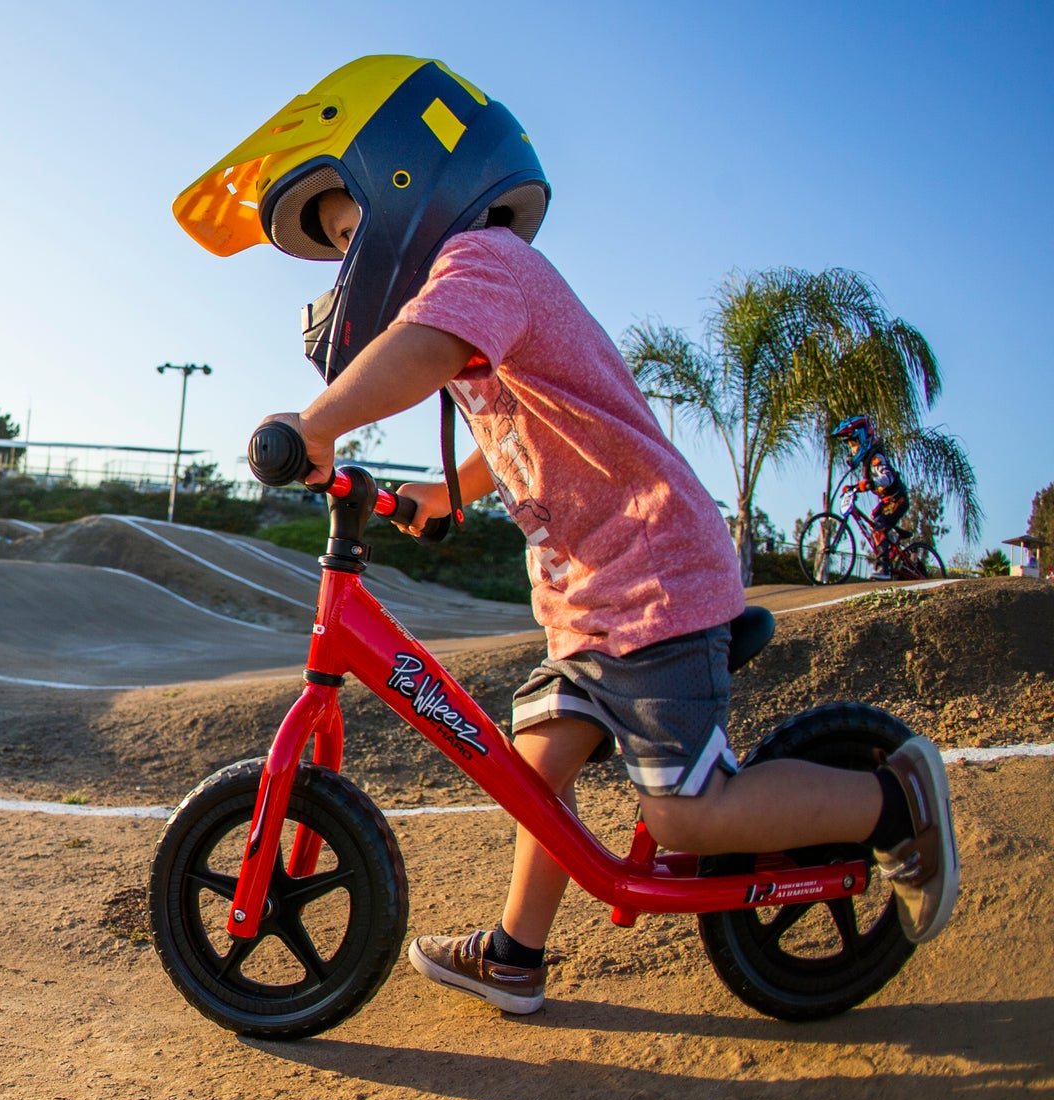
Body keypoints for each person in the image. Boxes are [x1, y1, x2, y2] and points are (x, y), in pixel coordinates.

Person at [174, 55, 959, 1014]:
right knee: (534, 760)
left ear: (406, 182)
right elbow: (521, 423)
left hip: (654, 575)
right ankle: (514, 952)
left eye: (347, 227)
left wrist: (317, 422)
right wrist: (440, 489)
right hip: (593, 594)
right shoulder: (478, 302)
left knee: (681, 811)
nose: (346, 260)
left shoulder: (486, 265)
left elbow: (421, 351)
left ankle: (893, 806)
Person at [834, 415, 911, 576]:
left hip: (898, 499)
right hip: (887, 501)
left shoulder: (876, 458)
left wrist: (869, 484)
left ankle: (885, 568)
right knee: (873, 519)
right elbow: (866, 483)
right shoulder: (866, 461)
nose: (852, 449)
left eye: (854, 443)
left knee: (879, 526)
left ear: (863, 439)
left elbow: (887, 478)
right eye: (850, 445)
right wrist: (853, 488)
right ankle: (891, 543)